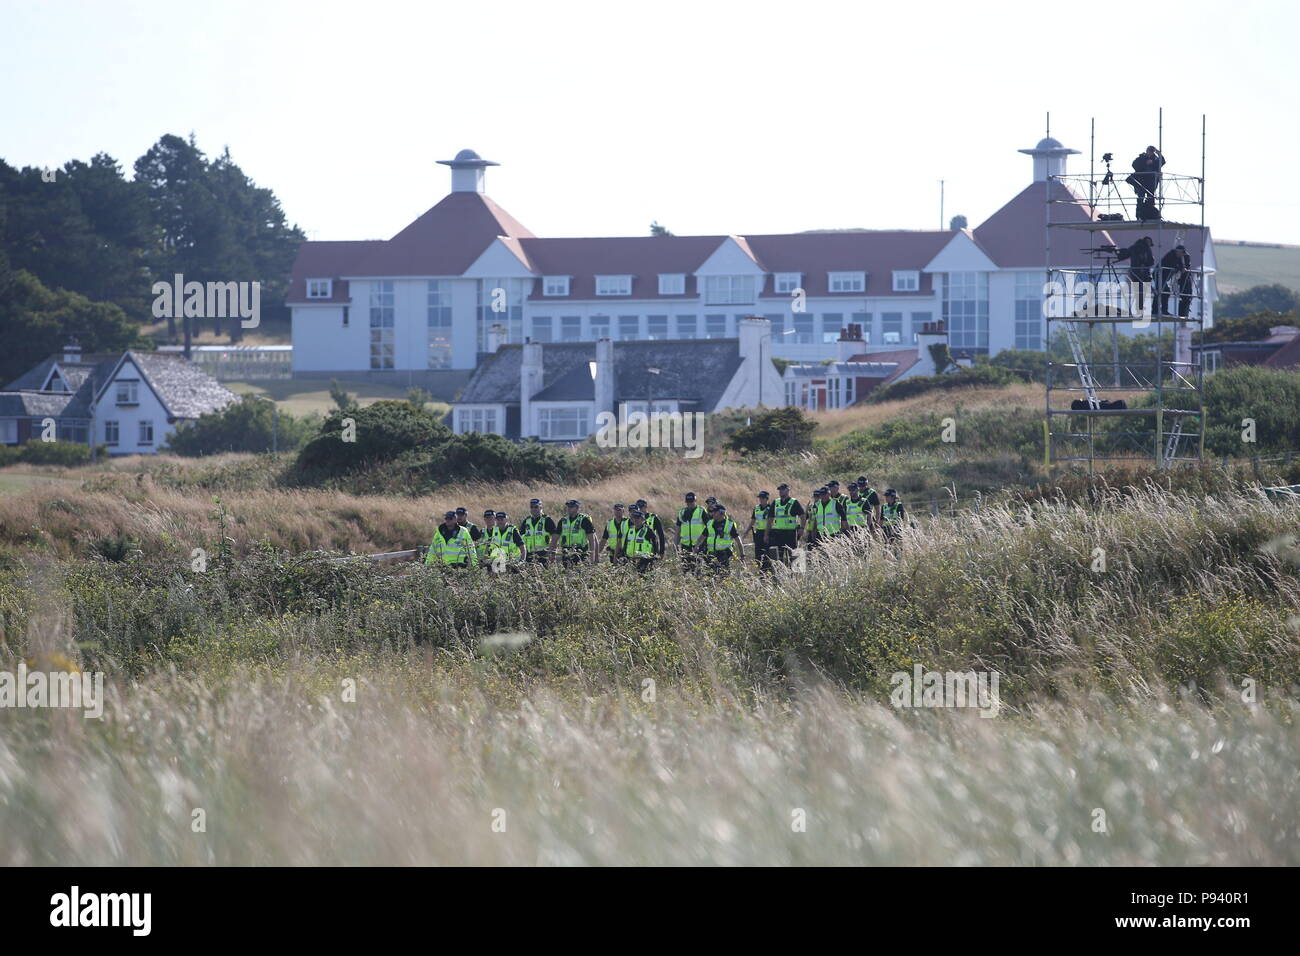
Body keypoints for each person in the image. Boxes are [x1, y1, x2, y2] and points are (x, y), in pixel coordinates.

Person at [697, 504, 741, 573]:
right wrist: (696, 546)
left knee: (724, 576)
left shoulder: (729, 524)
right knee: (710, 576)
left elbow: (738, 540)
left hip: (724, 555)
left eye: (715, 512)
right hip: (711, 555)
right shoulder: (710, 523)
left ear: (721, 513)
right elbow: (702, 537)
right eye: (712, 512)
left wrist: (742, 555)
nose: (712, 513)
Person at [1116, 236, 1155, 316]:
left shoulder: (1134, 247)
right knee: (1143, 292)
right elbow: (1150, 261)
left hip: (1135, 273)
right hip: (1144, 274)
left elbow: (1124, 255)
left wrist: (1117, 253)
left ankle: (1138, 308)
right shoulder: (1146, 248)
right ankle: (1139, 309)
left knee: (1138, 291)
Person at [768, 483, 805, 565]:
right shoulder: (775, 502)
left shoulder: (794, 502)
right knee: (779, 557)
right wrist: (766, 533)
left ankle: (792, 575)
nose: (780, 491)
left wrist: (802, 528)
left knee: (792, 556)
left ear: (788, 490)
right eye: (779, 490)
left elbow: (802, 516)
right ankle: (781, 574)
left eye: (782, 489)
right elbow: (770, 519)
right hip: (777, 533)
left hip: (790, 533)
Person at [1126, 145, 1166, 221]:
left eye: (1151, 151)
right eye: (1149, 151)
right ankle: (1139, 216)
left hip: (1151, 183)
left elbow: (1162, 162)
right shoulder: (1141, 158)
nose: (1150, 153)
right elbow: (1134, 165)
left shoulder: (1156, 159)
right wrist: (1145, 163)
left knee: (1150, 199)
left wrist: (1158, 155)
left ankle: (1150, 215)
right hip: (1141, 182)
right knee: (1140, 198)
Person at [520, 498, 558, 567]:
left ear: (541, 507)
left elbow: (555, 537)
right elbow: (519, 538)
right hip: (529, 554)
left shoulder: (547, 520)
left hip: (543, 554)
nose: (533, 509)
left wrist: (552, 553)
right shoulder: (527, 521)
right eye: (531, 507)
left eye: (536, 507)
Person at [1158, 244, 1194, 318]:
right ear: (1178, 251)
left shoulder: (1179, 256)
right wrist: (1181, 269)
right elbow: (1174, 264)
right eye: (1181, 253)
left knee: (1165, 292)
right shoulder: (1172, 255)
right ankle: (1160, 311)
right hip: (1159, 275)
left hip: (1165, 276)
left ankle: (1164, 311)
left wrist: (1182, 269)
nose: (1182, 255)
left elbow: (1181, 266)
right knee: (1161, 292)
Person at [676, 492, 709, 572]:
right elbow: (677, 531)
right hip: (685, 546)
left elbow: (709, 527)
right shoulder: (681, 512)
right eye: (688, 502)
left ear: (695, 501)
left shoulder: (701, 511)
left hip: (699, 546)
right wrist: (676, 545)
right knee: (685, 570)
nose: (690, 503)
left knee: (698, 570)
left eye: (692, 501)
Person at [559, 499, 596, 567]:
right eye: (568, 506)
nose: (569, 508)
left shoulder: (584, 519)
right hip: (566, 551)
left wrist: (592, 557)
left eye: (571, 507)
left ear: (577, 508)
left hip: (580, 552)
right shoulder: (563, 520)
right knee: (567, 574)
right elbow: (555, 537)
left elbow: (591, 539)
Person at [742, 491, 773, 570]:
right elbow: (752, 521)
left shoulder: (771, 508)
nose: (761, 500)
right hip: (759, 533)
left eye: (762, 498)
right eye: (760, 498)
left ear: (767, 498)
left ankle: (768, 570)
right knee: (758, 554)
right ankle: (760, 571)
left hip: (768, 533)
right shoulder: (756, 508)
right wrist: (746, 532)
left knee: (767, 554)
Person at [623, 508, 661, 573]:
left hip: (644, 560)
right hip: (630, 559)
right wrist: (624, 556)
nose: (636, 520)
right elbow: (625, 544)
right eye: (634, 518)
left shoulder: (648, 530)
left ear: (642, 519)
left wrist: (655, 556)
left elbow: (655, 543)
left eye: (638, 518)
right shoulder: (630, 530)